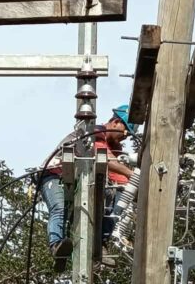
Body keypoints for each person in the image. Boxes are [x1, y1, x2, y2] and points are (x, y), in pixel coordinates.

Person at [39, 106, 137, 265]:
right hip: (54, 174)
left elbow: (119, 177)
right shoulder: (94, 132)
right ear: (115, 122)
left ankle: (101, 242)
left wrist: (132, 188)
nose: (125, 137)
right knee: (59, 208)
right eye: (125, 131)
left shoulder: (114, 147)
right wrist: (131, 174)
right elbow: (106, 158)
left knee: (116, 195)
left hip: (80, 180)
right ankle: (57, 246)